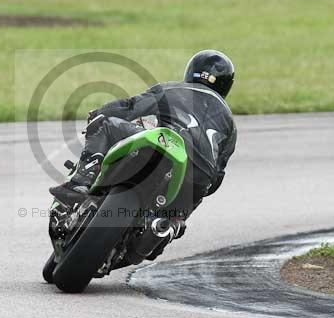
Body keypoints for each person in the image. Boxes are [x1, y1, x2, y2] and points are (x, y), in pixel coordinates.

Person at [50, 49, 237, 224]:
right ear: (226, 85)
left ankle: (81, 182)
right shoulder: (230, 123)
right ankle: (171, 226)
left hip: (163, 143)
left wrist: (99, 113)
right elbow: (218, 176)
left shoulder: (172, 89)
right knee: (178, 217)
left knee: (104, 124)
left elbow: (130, 108)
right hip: (199, 175)